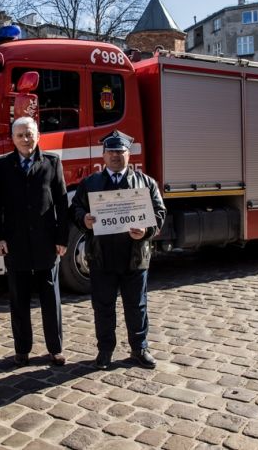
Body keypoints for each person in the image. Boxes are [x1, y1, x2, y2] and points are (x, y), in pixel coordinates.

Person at [69, 130, 166, 371]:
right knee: (103, 306)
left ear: (128, 154)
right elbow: (75, 209)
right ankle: (105, 350)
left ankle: (139, 347)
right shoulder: (90, 183)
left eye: (120, 151)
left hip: (134, 256)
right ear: (103, 155)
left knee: (137, 305)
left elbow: (159, 213)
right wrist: (85, 220)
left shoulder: (146, 182)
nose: (115, 155)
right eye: (111, 151)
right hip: (101, 256)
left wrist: (146, 230)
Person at [0, 117, 68, 367]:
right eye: (20, 135)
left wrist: (62, 238)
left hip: (46, 243)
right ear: (13, 139)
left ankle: (55, 348)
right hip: (15, 244)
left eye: (30, 134)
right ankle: (22, 348)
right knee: (19, 298)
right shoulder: (3, 166)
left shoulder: (52, 162)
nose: (26, 139)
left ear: (38, 135)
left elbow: (62, 203)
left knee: (51, 298)